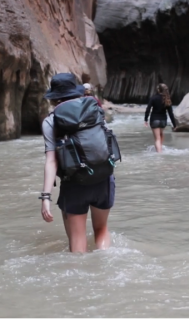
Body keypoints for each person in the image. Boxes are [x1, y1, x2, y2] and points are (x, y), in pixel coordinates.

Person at [39, 73, 115, 253]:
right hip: (103, 177)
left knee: (77, 237)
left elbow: (51, 161)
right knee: (101, 229)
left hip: (75, 183)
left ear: (55, 97)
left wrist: (45, 197)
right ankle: (106, 266)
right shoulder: (95, 110)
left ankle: (80, 276)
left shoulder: (51, 121)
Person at [144, 83, 177, 153]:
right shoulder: (167, 99)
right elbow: (171, 113)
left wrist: (145, 119)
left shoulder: (154, 98)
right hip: (163, 122)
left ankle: (159, 154)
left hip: (154, 120)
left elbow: (148, 109)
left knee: (157, 139)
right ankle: (160, 149)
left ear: (158, 90)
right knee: (161, 135)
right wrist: (174, 125)